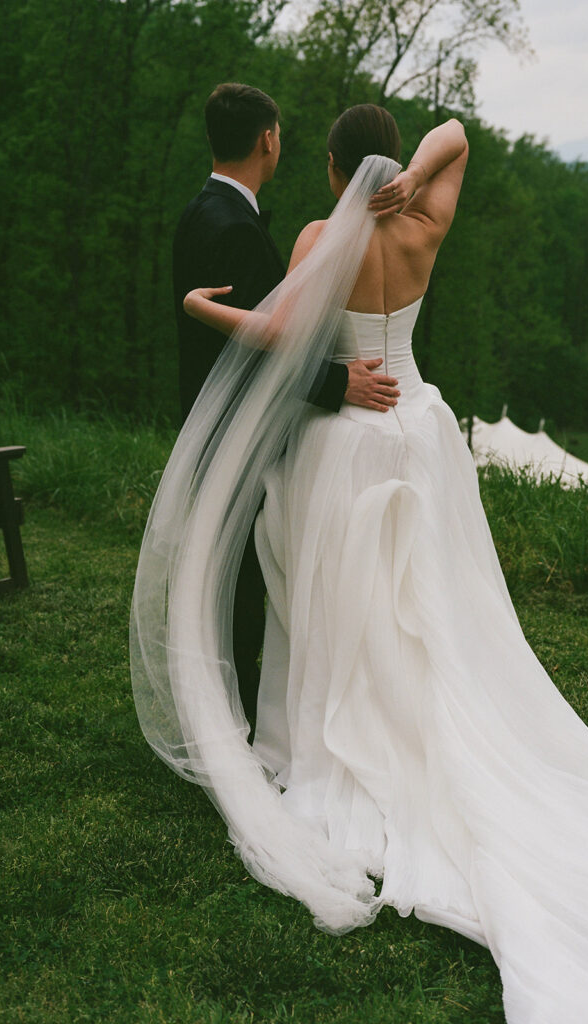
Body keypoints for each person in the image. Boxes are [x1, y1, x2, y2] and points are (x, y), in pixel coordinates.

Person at [133, 106, 588, 1024]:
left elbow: (283, 339)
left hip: (345, 443)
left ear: (335, 168)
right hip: (418, 431)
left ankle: (340, 739)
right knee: (431, 604)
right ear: (393, 172)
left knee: (340, 606)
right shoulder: (426, 223)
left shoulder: (318, 234)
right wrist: (412, 169)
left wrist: (204, 308)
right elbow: (457, 132)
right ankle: (422, 711)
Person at [172, 84, 400, 731]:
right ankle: (235, 711)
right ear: (267, 140)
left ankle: (222, 700)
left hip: (205, 418)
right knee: (243, 578)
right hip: (237, 432)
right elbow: (273, 346)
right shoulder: (236, 230)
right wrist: (336, 385)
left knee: (226, 568)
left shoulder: (198, 211)